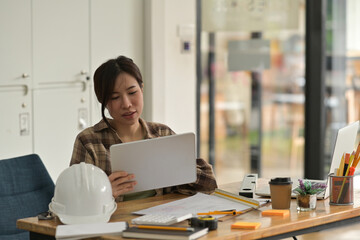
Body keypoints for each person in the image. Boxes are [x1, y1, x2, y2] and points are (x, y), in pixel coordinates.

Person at [70, 55, 217, 201]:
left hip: (162, 220)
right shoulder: (88, 141)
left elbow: (209, 184)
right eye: (115, 97)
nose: (127, 104)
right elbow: (73, 201)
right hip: (115, 223)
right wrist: (104, 192)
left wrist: (180, 168)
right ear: (103, 101)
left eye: (132, 92)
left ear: (142, 88)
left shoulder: (162, 134)